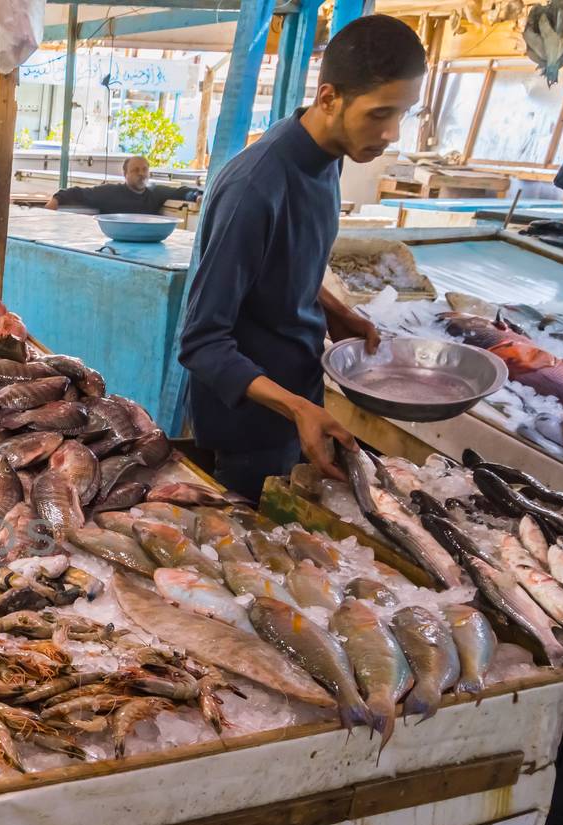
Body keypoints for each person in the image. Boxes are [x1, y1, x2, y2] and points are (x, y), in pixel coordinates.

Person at [178, 14, 424, 502]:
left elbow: (283, 267)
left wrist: (339, 315)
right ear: (329, 97)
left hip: (298, 404)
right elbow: (202, 342)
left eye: (404, 113)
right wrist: (295, 409)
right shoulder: (256, 186)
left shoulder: (328, 159)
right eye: (379, 113)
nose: (393, 131)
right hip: (249, 428)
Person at [45, 156, 200, 214]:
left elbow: (182, 192)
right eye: (135, 170)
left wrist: (197, 196)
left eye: (144, 170)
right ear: (125, 175)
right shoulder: (110, 192)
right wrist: (56, 200)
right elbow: (77, 192)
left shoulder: (156, 192)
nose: (141, 173)